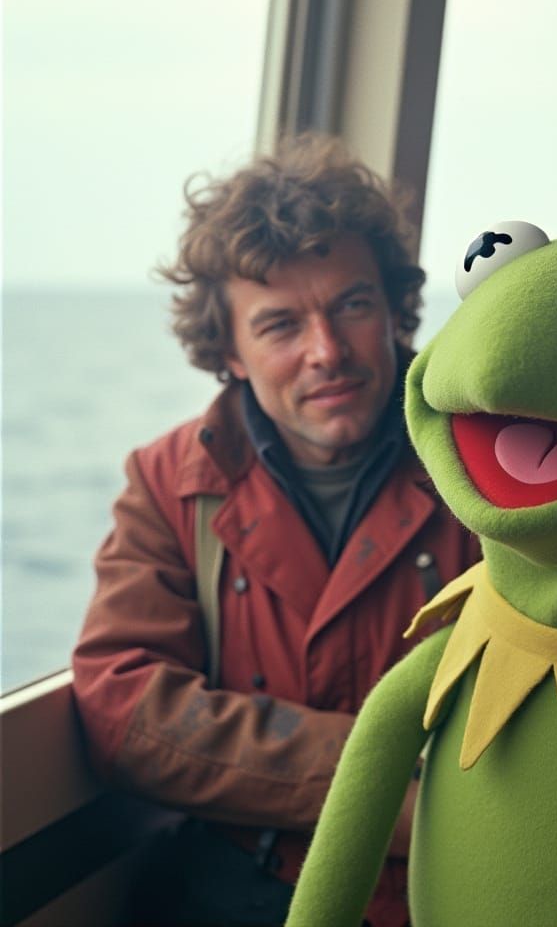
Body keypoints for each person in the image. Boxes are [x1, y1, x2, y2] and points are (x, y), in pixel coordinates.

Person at [71, 134, 480, 927]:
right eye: (282, 325)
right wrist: (391, 788)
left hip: (454, 887)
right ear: (228, 351)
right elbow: (123, 706)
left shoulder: (488, 465)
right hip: (244, 885)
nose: (326, 352)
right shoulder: (169, 483)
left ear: (395, 309)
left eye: (352, 306)